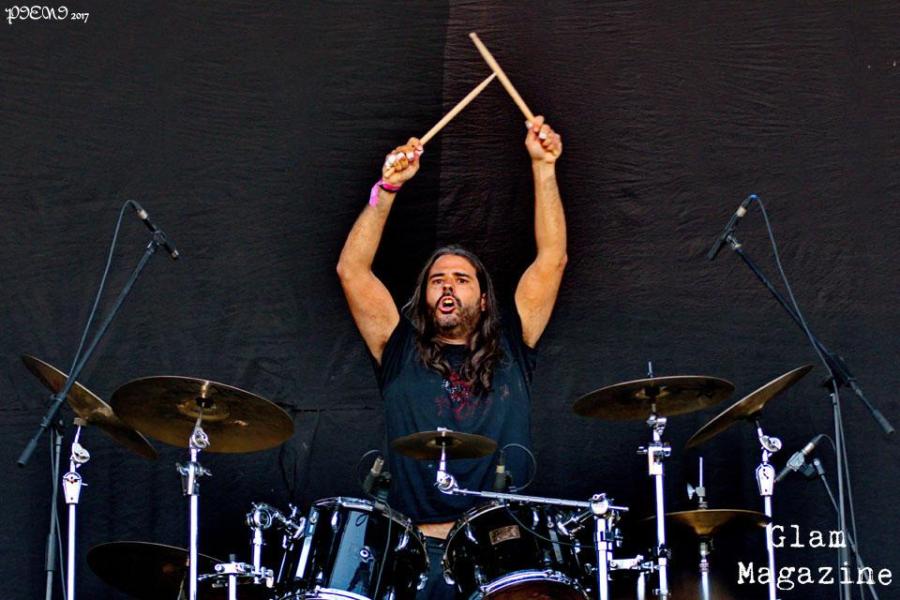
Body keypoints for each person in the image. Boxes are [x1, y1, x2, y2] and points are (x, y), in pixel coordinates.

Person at [336, 116, 566, 598]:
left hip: (501, 556)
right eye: (438, 280)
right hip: (414, 557)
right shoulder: (397, 346)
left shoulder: (514, 343)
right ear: (424, 298)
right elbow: (351, 270)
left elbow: (552, 260)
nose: (448, 286)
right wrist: (387, 189)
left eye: (461, 280)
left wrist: (544, 167)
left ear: (482, 299)